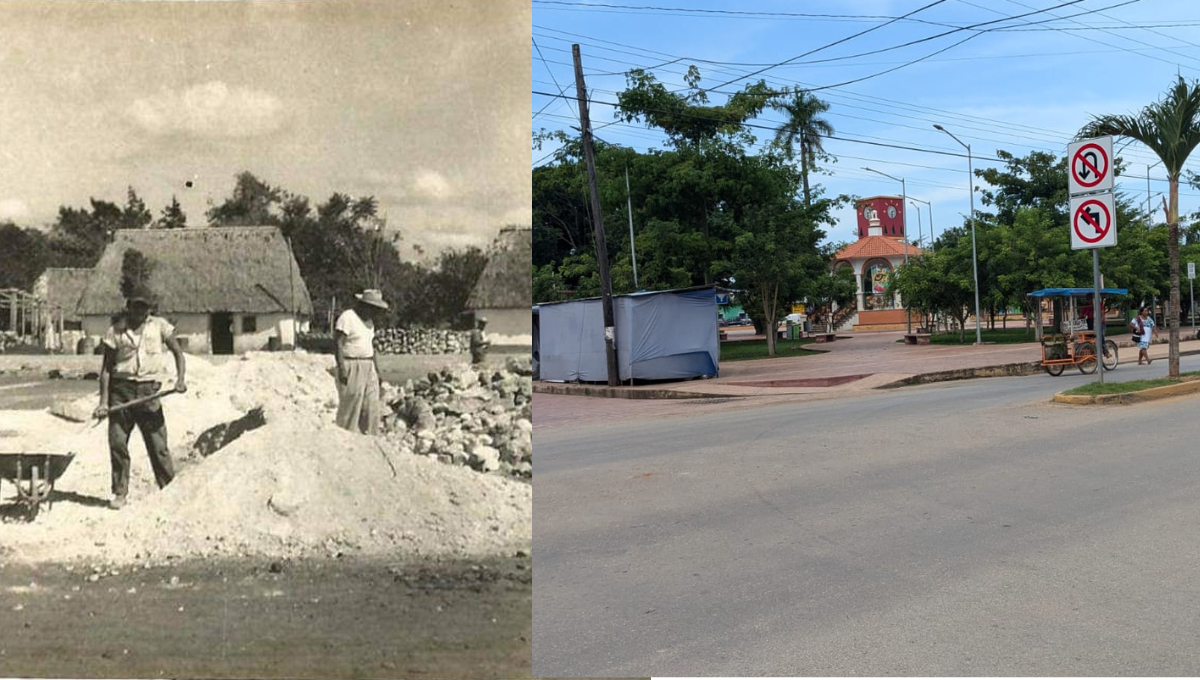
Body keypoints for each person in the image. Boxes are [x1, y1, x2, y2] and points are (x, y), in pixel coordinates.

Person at [94, 287, 187, 510]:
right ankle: (120, 493)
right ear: (128, 306)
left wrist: (180, 379)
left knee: (158, 446)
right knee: (117, 444)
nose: (140, 310)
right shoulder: (115, 331)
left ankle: (169, 490)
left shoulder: (160, 327)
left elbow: (178, 353)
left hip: (149, 392)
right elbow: (106, 369)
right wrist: (104, 402)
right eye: (136, 306)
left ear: (149, 308)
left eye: (144, 306)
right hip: (121, 392)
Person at [334, 288, 387, 435]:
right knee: (352, 403)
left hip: (368, 365)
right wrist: (342, 368)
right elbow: (338, 343)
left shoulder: (370, 323)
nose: (375, 312)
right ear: (364, 305)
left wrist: (377, 370)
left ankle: (370, 436)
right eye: (373, 308)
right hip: (352, 364)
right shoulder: (347, 317)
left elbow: (370, 347)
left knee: (372, 404)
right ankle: (345, 435)